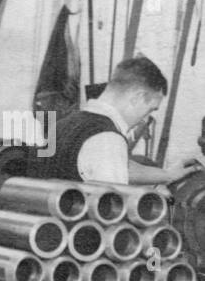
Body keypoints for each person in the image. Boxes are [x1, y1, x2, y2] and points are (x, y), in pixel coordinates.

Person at [40, 55, 199, 186]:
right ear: (137, 97)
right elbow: (111, 212)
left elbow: (119, 166)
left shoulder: (62, 125)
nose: (145, 120)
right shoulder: (107, 139)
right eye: (150, 109)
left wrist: (167, 175)